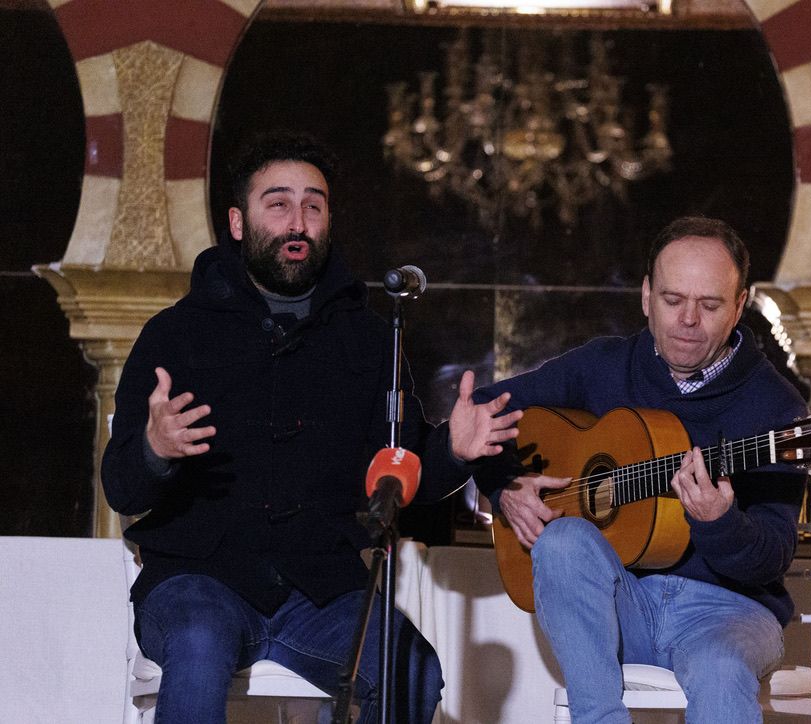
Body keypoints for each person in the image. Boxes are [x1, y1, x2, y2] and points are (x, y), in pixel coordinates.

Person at [101, 130, 521, 724]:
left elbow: (398, 475)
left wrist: (453, 451)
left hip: (322, 591)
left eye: (313, 206)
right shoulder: (176, 334)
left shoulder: (373, 341)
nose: (297, 222)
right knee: (197, 644)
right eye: (278, 204)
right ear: (239, 222)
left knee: (411, 671)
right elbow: (121, 487)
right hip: (199, 582)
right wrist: (153, 448)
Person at [473, 216, 810, 723]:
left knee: (720, 669)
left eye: (711, 304)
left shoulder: (775, 407)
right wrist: (504, 486)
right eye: (673, 300)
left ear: (740, 304)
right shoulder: (604, 364)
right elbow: (486, 407)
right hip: (621, 604)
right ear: (647, 295)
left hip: (729, 613)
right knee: (561, 541)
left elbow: (771, 559)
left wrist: (720, 522)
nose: (688, 320)